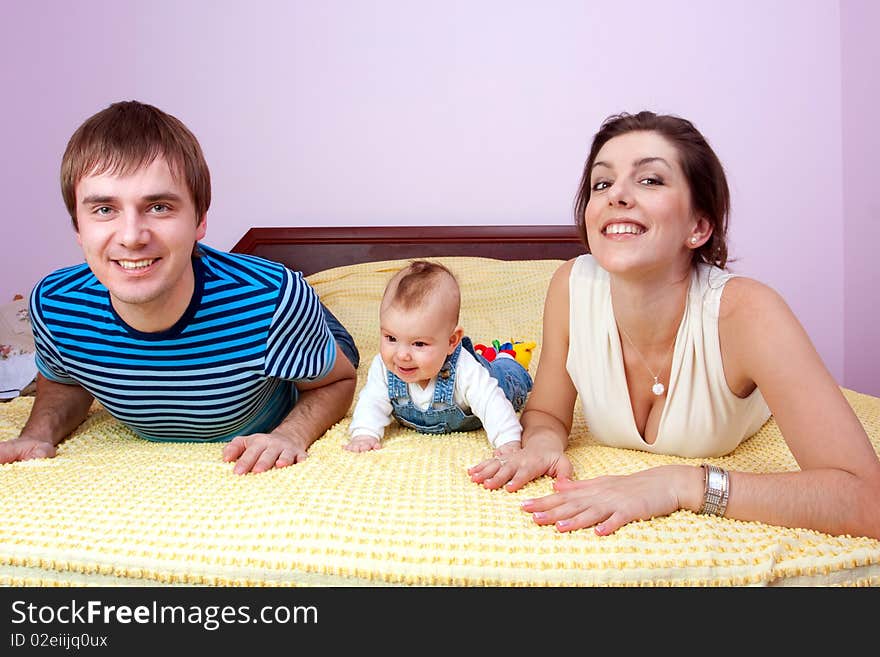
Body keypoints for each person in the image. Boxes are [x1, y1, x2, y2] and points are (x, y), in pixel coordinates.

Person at [469, 110, 880, 540]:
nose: (617, 195)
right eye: (601, 183)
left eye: (650, 180)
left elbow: (866, 500)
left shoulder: (749, 313)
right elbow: (549, 412)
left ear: (698, 226)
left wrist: (681, 484)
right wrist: (543, 444)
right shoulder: (570, 287)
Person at [0, 100, 359, 475]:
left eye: (158, 207)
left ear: (200, 220)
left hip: (279, 314)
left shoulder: (275, 300)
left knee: (340, 331)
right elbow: (65, 383)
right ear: (78, 227)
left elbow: (337, 380)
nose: (132, 237)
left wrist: (291, 434)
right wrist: (36, 434)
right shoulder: (54, 306)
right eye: (105, 209)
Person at [345, 260, 531, 457]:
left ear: (452, 341)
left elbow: (491, 402)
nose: (401, 355)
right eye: (391, 338)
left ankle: (509, 358)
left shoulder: (464, 369)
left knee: (510, 376)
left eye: (419, 344)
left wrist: (507, 441)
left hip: (500, 380)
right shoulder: (384, 367)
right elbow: (372, 401)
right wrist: (364, 433)